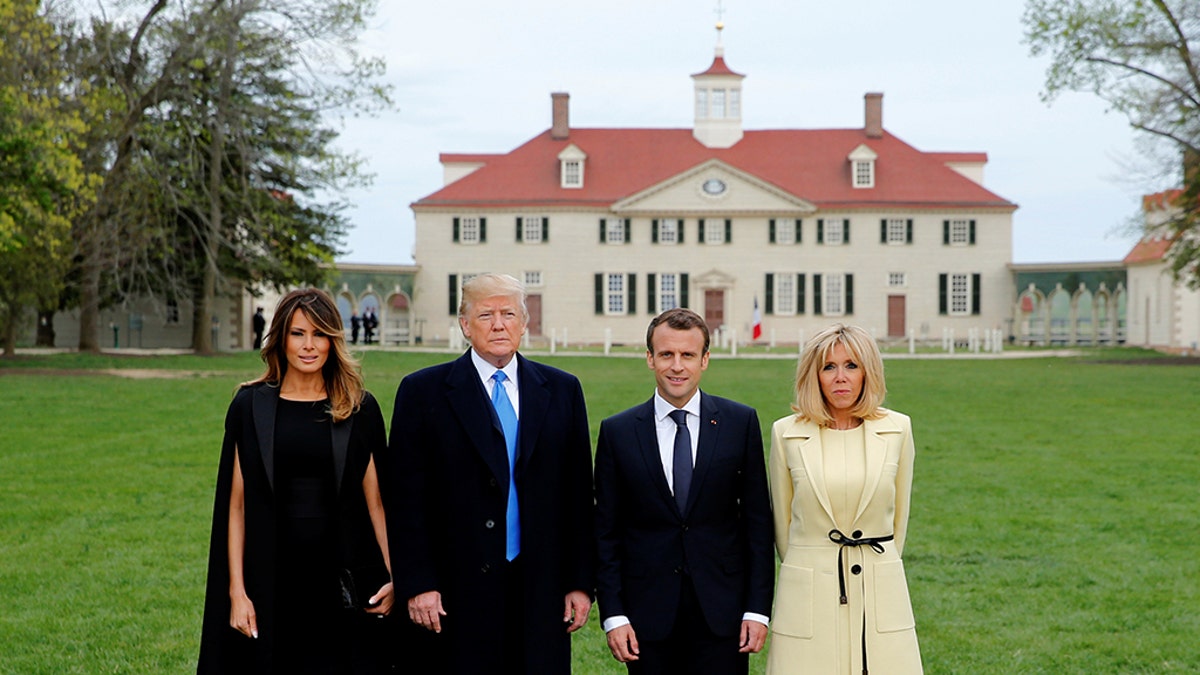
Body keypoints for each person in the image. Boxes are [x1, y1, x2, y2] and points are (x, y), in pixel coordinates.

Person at [384, 273, 595, 674]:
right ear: (465, 325)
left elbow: (578, 495)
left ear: (524, 322)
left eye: (508, 313)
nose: (499, 324)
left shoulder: (563, 390)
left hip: (540, 589)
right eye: (485, 314)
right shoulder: (422, 392)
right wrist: (419, 582)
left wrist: (580, 582)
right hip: (453, 592)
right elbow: (405, 499)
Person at [198, 288, 394, 674]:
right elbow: (235, 505)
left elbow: (378, 502)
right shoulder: (249, 406)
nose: (309, 346)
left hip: (342, 580)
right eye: (298, 334)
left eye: (319, 334)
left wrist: (396, 575)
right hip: (269, 578)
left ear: (333, 341)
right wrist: (236, 592)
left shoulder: (359, 406)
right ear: (280, 338)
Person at [595, 308, 775, 675]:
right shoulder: (618, 432)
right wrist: (613, 615)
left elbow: (758, 524)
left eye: (688, 355)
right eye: (666, 354)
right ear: (650, 358)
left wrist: (757, 610)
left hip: (723, 614)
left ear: (705, 359)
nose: (677, 366)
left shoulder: (740, 423)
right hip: (646, 616)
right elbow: (606, 532)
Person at [766, 324, 922, 674]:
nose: (841, 377)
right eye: (829, 367)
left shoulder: (898, 429)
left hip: (880, 587)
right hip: (808, 594)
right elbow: (782, 528)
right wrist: (814, 567)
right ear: (814, 375)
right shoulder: (786, 433)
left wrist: (874, 568)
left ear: (868, 371)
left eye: (851, 365)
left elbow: (899, 522)